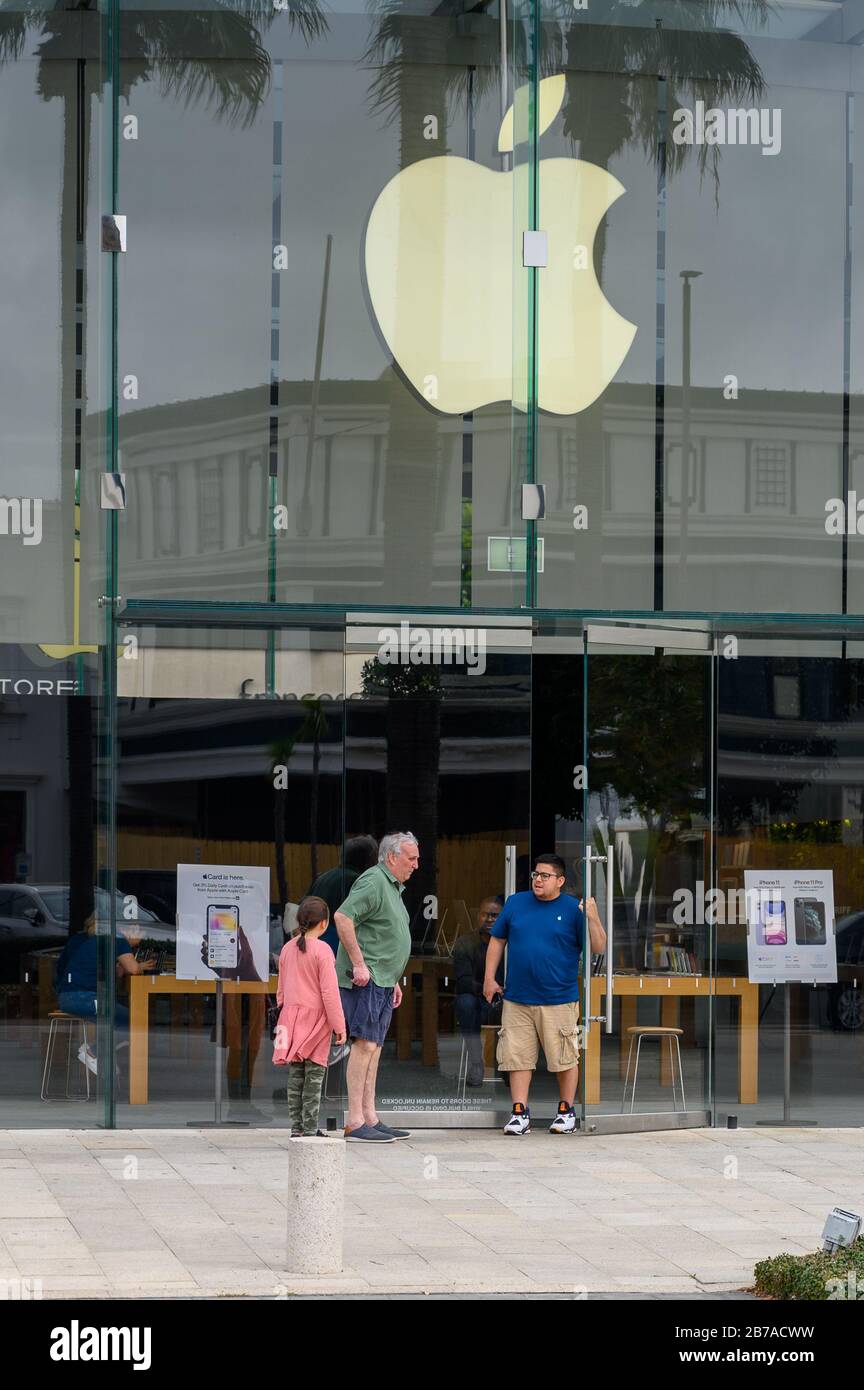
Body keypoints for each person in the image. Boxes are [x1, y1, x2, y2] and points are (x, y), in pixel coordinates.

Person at [484, 852, 606, 1136]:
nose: (538, 880)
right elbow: (497, 939)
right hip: (517, 997)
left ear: (560, 880)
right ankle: (519, 1113)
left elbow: (599, 947)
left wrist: (594, 917)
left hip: (559, 997)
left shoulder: (573, 909)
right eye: (535, 875)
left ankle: (566, 1112)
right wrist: (490, 978)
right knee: (516, 1056)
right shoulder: (516, 903)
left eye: (545, 876)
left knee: (564, 1057)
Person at [333, 830, 418, 1143]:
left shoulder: (392, 886)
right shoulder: (373, 880)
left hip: (382, 980)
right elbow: (343, 917)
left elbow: (382, 934)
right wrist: (358, 964)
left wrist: (394, 978)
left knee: (375, 1047)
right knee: (364, 1045)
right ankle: (355, 1121)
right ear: (392, 857)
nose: (416, 865)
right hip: (366, 980)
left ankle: (370, 1116)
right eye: (412, 858)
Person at [273, 896, 346, 1136]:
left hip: (291, 1018)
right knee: (314, 1076)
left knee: (296, 1076)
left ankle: (297, 1128)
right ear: (324, 923)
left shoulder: (287, 948)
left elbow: (281, 988)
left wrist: (284, 1012)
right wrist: (339, 1025)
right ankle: (311, 1127)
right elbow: (330, 993)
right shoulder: (323, 951)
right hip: (316, 1022)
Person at [55, 913, 156, 1076]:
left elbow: (118, 971)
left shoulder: (102, 939)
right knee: (134, 1021)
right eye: (137, 929)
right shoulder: (118, 939)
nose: (141, 933)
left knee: (123, 1019)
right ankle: (93, 1052)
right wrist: (130, 945)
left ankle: (97, 1051)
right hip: (82, 998)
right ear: (125, 928)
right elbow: (133, 969)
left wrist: (134, 964)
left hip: (72, 997)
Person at [452, 896, 505, 1085]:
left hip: (505, 1001)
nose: (489, 919)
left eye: (495, 915)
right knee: (464, 1002)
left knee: (517, 1004)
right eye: (485, 915)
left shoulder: (512, 944)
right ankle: (476, 1063)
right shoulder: (465, 943)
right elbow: (463, 981)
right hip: (477, 1000)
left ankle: (507, 1065)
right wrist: (488, 988)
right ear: (477, 917)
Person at [307, 835, 379, 954]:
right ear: (368, 860)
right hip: (337, 950)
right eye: (375, 858)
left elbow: (300, 908)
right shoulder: (359, 882)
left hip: (313, 945)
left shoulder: (323, 877)